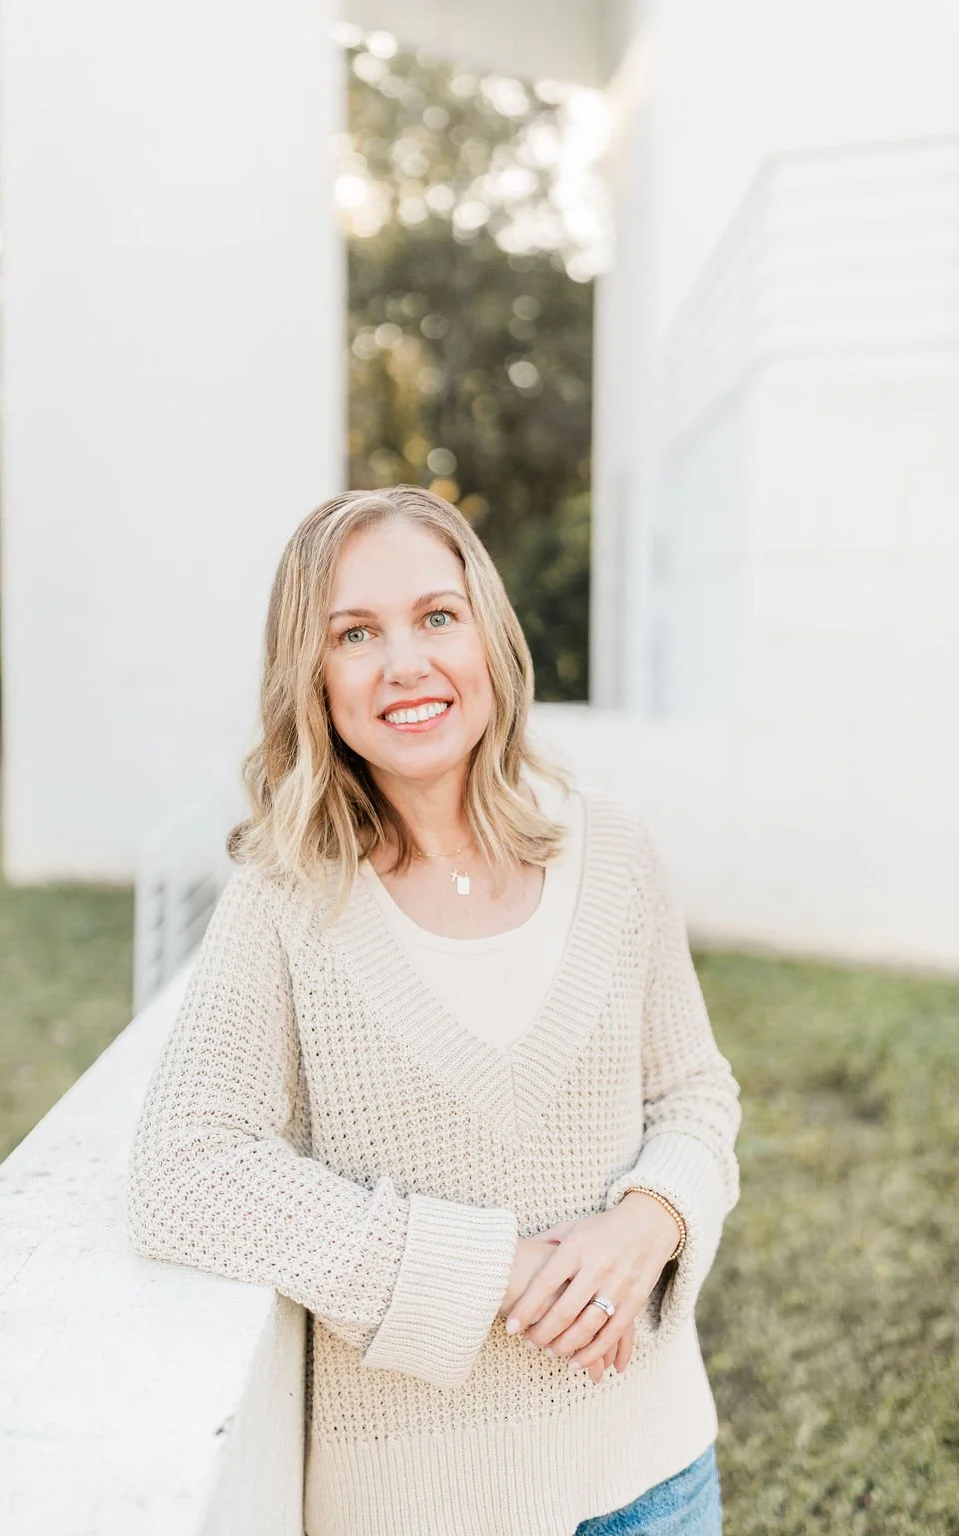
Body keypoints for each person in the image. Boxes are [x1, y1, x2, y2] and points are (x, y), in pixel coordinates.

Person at [126, 484, 742, 1536]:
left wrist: (653, 1219)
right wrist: (495, 1270)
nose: (405, 663)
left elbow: (695, 1093)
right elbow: (185, 1169)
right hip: (417, 1507)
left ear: (488, 638)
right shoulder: (284, 896)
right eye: (355, 634)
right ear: (312, 678)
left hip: (656, 1476)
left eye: (437, 617)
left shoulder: (616, 850)